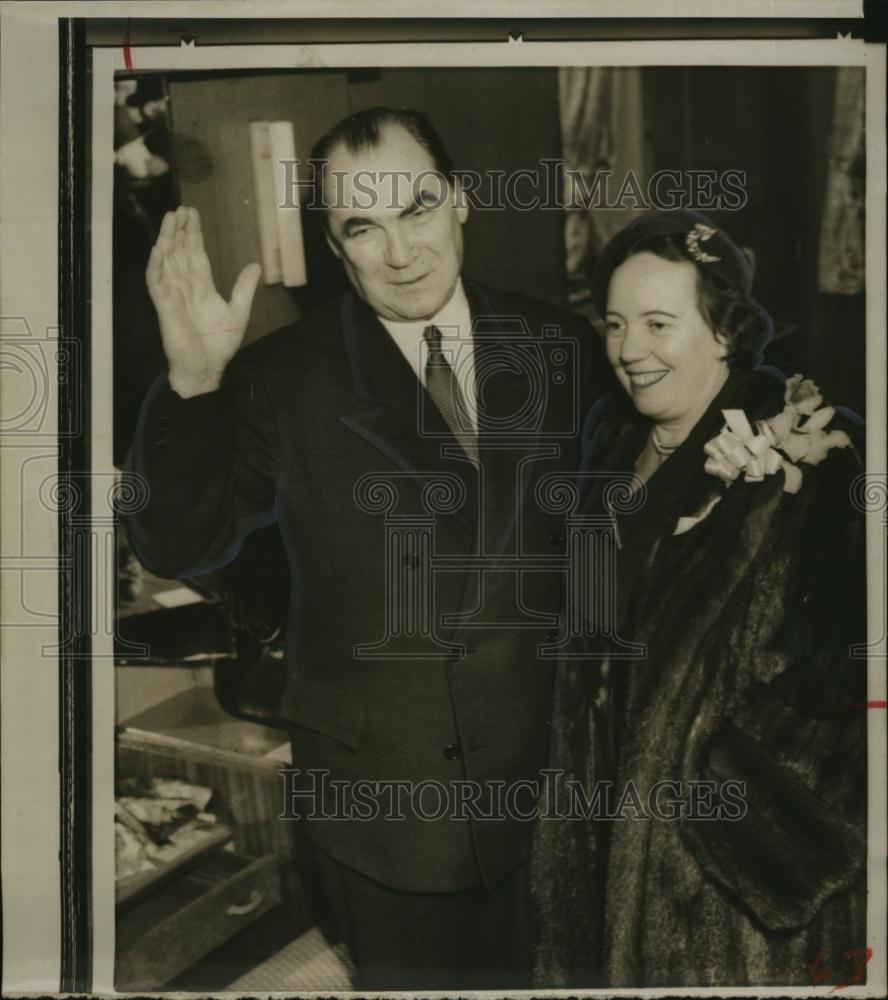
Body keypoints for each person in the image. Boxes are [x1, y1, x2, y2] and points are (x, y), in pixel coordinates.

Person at [123, 107, 604, 990]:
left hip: (550, 796)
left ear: (459, 202)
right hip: (383, 817)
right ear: (337, 249)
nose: (399, 251)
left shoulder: (564, 348)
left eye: (416, 209)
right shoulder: (278, 381)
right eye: (362, 226)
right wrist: (194, 383)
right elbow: (177, 541)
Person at [529, 209, 867, 988]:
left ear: (725, 331)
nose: (630, 351)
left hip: (723, 900)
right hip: (602, 844)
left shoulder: (809, 448)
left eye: (658, 323)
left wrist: (733, 819)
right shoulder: (617, 450)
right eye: (614, 324)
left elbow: (853, 686)